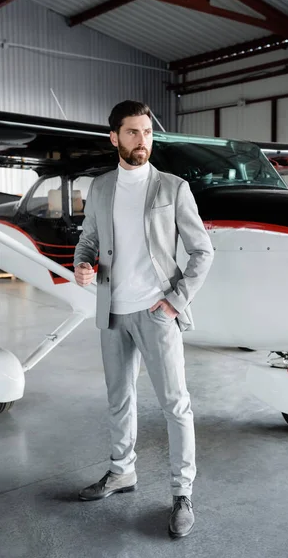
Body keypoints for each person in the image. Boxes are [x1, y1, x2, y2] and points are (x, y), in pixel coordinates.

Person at [74, 100, 214, 538]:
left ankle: (181, 493)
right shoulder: (99, 188)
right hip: (112, 310)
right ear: (114, 137)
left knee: (176, 404)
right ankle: (122, 472)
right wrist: (83, 264)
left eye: (148, 133)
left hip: (156, 312)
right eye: (133, 132)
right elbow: (89, 239)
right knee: (119, 398)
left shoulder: (173, 187)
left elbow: (202, 251)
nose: (142, 141)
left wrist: (175, 300)